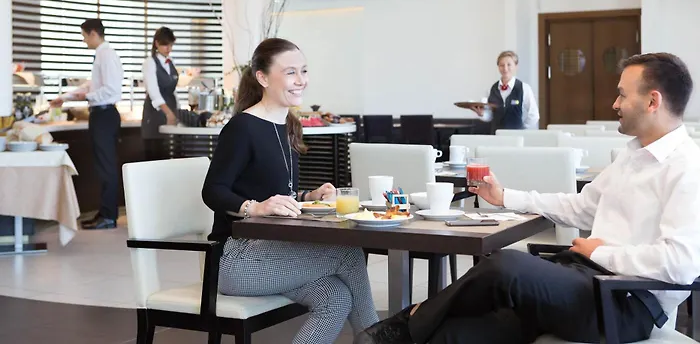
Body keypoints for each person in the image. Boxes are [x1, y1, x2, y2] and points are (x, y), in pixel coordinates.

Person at [356, 52, 700, 344]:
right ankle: (409, 328)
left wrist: (600, 252)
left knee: (506, 264)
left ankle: (406, 323)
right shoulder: (632, 155)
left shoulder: (687, 167)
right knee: (454, 334)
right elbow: (580, 207)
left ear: (652, 101)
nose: (615, 104)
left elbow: (681, 263)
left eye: (622, 95)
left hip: (624, 302)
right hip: (581, 281)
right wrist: (505, 196)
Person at [201, 38, 378, 344]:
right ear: (262, 77)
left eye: (304, 71)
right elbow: (212, 191)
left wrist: (310, 196)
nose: (301, 80)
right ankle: (380, 338)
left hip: (275, 251)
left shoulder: (287, 124)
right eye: (290, 72)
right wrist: (254, 207)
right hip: (237, 259)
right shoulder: (242, 128)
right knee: (349, 252)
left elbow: (277, 192)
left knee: (336, 297)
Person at [50, 18, 124, 230]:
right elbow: (92, 85)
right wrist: (66, 97)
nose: (83, 41)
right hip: (100, 115)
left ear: (93, 33)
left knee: (107, 167)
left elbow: (111, 89)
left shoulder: (106, 54)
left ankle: (109, 217)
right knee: (103, 166)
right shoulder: (101, 54)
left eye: (84, 36)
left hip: (105, 115)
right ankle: (105, 213)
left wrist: (86, 96)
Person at [469, 51, 539, 132]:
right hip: (496, 135)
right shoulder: (491, 89)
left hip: (516, 137)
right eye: (502, 65)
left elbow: (534, 115)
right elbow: (490, 116)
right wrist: (481, 114)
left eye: (509, 65)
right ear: (498, 67)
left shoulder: (524, 88)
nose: (505, 69)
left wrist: (521, 129)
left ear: (516, 66)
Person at [141, 27, 178, 160]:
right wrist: (168, 113)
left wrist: (176, 112)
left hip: (171, 111)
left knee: (170, 155)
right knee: (156, 155)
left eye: (170, 45)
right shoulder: (150, 63)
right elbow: (153, 92)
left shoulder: (171, 62)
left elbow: (173, 91)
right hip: (155, 114)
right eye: (165, 44)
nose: (168, 48)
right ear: (156, 43)